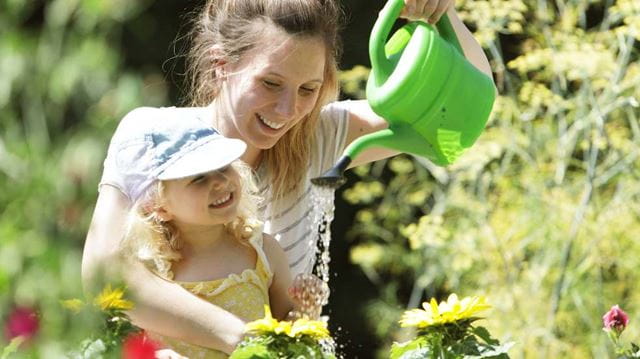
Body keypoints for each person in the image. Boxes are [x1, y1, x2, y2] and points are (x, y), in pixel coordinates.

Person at [82, 0, 494, 354]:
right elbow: (104, 274)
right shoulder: (154, 138)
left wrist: (445, 14)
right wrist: (243, 338)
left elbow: (460, 117)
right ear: (220, 64)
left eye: (308, 89)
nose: (286, 110)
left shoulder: (320, 135)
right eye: (270, 83)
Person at [112, 112, 327, 358]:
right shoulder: (151, 270)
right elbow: (125, 341)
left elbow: (287, 340)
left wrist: (305, 308)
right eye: (199, 178)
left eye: (224, 167)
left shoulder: (262, 252)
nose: (220, 181)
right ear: (159, 206)